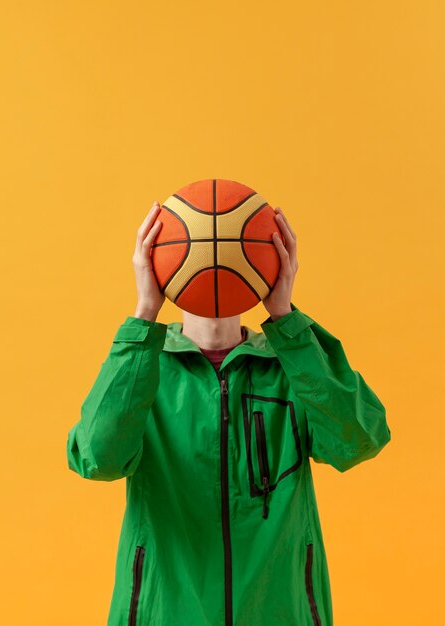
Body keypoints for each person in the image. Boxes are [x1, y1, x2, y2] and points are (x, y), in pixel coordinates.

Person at [66, 201, 392, 626]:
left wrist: (286, 319)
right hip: (165, 614)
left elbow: (359, 440)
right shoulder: (143, 369)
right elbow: (97, 457)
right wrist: (144, 313)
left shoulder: (290, 368)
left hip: (279, 613)